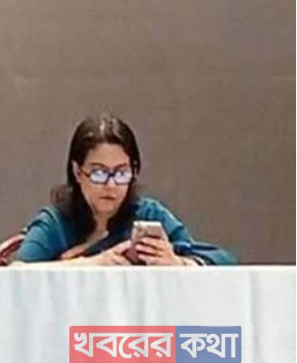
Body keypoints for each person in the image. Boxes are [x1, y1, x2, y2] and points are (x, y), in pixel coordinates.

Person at [15, 114, 235, 266]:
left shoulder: (148, 214)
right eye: (99, 173)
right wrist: (89, 264)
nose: (111, 185)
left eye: (121, 174)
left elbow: (224, 260)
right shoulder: (55, 222)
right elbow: (18, 273)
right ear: (77, 171)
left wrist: (180, 263)